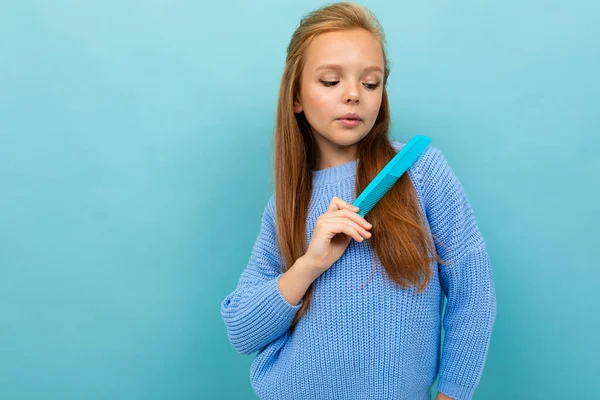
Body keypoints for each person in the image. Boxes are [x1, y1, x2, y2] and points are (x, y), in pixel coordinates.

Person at [220, 2, 496, 399]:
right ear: (296, 96)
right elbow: (242, 331)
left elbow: (475, 293)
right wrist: (310, 264)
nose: (353, 95)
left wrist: (452, 394)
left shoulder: (421, 171)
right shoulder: (287, 204)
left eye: (370, 83)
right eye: (331, 81)